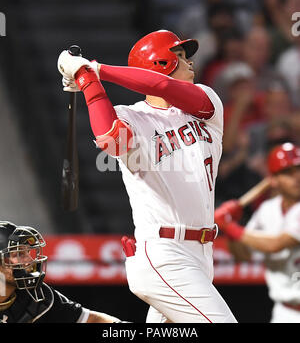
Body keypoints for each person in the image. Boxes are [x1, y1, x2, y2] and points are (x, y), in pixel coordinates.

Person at [57, 29, 237, 323]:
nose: (190, 63)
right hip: (163, 252)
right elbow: (109, 137)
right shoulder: (131, 116)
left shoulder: (207, 103)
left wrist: (95, 69)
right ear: (159, 62)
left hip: (201, 253)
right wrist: (87, 79)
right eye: (179, 56)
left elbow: (161, 86)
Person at [214, 142, 300, 323]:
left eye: (298, 170)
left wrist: (231, 227)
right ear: (273, 180)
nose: (297, 177)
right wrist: (231, 227)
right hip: (285, 311)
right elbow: (242, 255)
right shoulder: (267, 210)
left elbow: (275, 244)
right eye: (288, 172)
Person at [0, 221, 124, 323]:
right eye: (19, 254)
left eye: (28, 253)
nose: (30, 260)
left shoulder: (36, 296)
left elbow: (89, 319)